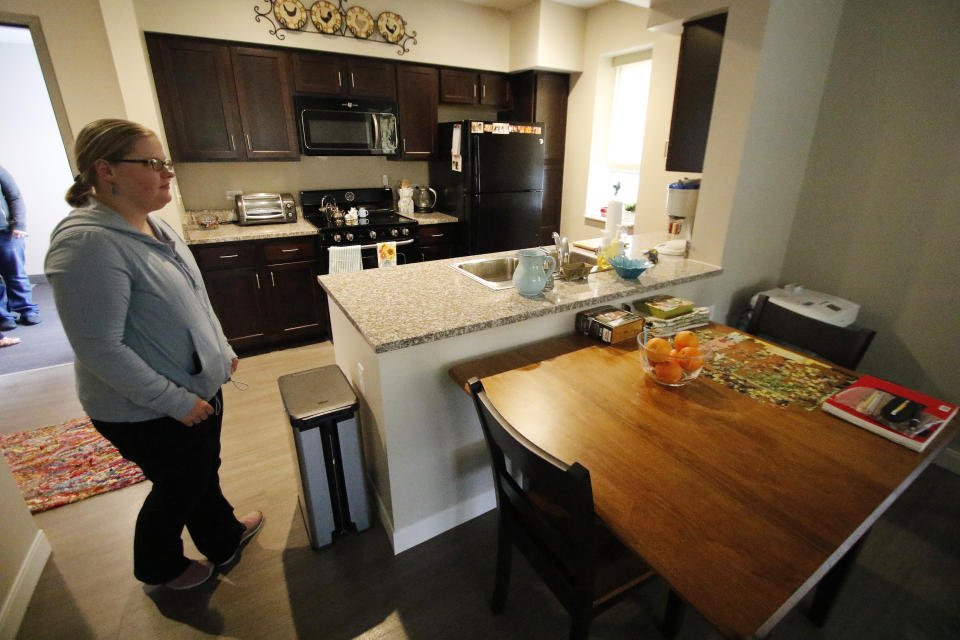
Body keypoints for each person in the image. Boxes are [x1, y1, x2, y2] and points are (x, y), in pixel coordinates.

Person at [44, 119, 262, 591]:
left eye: (165, 163)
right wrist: (177, 402)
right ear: (107, 171)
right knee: (178, 487)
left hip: (195, 387)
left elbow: (194, 298)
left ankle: (222, 537)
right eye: (153, 163)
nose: (168, 173)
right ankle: (159, 567)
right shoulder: (87, 244)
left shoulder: (153, 225)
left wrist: (220, 349)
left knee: (203, 470)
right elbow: (99, 348)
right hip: (144, 408)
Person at [0, 164, 41, 330]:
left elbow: (15, 196)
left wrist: (20, 224)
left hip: (8, 232)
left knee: (15, 273)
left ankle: (26, 310)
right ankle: (3, 316)